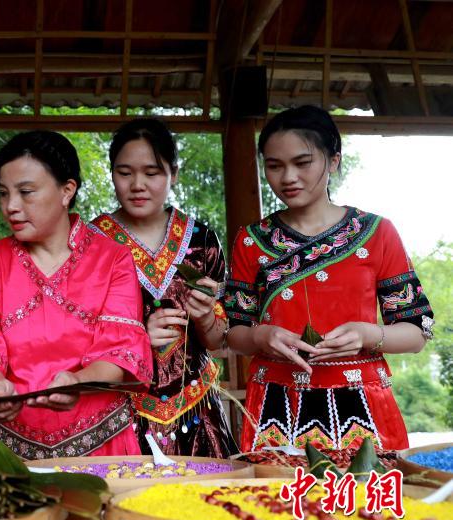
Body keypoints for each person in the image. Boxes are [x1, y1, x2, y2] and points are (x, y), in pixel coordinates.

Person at [225, 105, 433, 452]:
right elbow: (234, 332)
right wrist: (262, 335)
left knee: (366, 503)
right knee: (269, 504)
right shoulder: (251, 241)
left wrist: (370, 334)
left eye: (302, 163)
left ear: (333, 160)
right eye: (274, 166)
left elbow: (416, 332)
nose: (288, 177)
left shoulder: (377, 233)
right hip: (276, 405)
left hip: (363, 403)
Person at [0, 130, 152, 459]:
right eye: (3, 193)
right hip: (8, 453)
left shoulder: (113, 259)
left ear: (66, 190)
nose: (11, 206)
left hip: (103, 446)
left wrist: (77, 380)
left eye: (26, 192)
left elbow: (118, 353)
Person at [89, 118, 237, 458]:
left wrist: (204, 320)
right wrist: (136, 338)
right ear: (111, 173)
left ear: (174, 173)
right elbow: (74, 337)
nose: (138, 184)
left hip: (197, 413)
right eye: (125, 173)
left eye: (152, 173)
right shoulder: (90, 244)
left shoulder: (202, 241)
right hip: (118, 413)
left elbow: (216, 342)